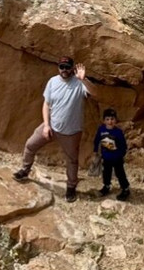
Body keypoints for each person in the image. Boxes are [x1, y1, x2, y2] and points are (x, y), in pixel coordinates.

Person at [13, 56, 94, 202]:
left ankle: (70, 188)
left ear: (72, 68)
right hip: (51, 126)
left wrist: (84, 79)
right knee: (30, 145)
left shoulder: (79, 83)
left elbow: (96, 93)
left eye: (67, 67)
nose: (64, 70)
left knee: (72, 160)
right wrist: (46, 125)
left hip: (71, 131)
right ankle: (25, 170)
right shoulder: (52, 81)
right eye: (61, 67)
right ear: (58, 68)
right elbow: (46, 104)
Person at [94, 108, 130, 201]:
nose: (110, 121)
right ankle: (106, 186)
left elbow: (123, 145)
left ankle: (125, 188)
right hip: (106, 157)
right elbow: (97, 140)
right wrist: (95, 151)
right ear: (104, 120)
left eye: (112, 119)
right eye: (107, 119)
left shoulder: (118, 132)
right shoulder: (101, 130)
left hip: (117, 158)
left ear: (115, 120)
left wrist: (121, 154)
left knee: (120, 173)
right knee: (106, 173)